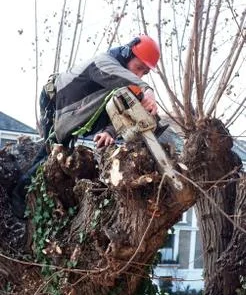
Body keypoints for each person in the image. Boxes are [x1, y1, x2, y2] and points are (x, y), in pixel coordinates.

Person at [11, 35, 161, 218]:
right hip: (55, 100)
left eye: (144, 73)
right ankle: (18, 195)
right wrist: (146, 89)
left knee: (60, 155)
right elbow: (123, 78)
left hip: (74, 112)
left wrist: (109, 131)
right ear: (126, 54)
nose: (138, 75)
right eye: (138, 68)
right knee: (53, 153)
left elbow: (119, 109)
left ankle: (36, 198)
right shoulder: (104, 63)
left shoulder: (122, 83)